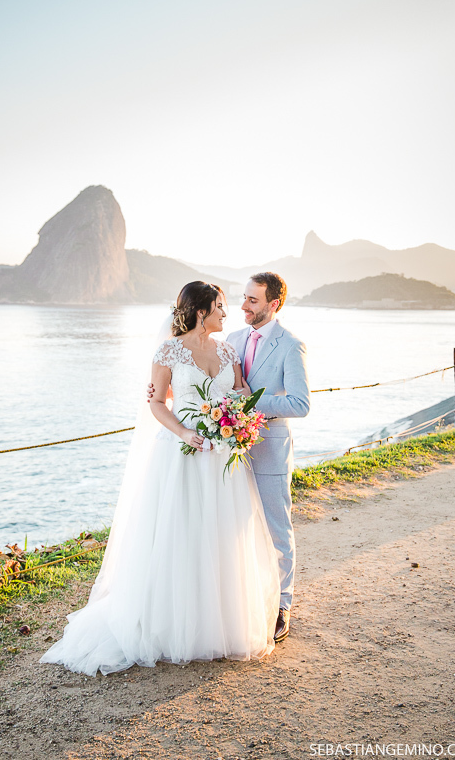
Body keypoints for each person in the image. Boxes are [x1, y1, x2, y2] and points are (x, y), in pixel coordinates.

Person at [40, 281, 280, 676]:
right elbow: (156, 402)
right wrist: (186, 432)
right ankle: (172, 626)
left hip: (221, 458)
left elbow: (240, 391)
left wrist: (239, 422)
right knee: (179, 535)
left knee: (220, 537)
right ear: (201, 312)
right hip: (182, 456)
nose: (226, 313)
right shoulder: (168, 350)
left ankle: (217, 625)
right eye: (219, 307)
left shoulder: (227, 350)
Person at [227, 272, 310, 644]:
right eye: (243, 298)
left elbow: (300, 403)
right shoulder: (232, 339)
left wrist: (251, 402)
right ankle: (244, 598)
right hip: (230, 451)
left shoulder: (291, 345)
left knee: (277, 528)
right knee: (235, 526)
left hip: (271, 448)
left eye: (253, 301)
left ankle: (282, 605)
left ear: (274, 304)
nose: (243, 306)